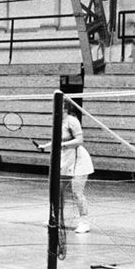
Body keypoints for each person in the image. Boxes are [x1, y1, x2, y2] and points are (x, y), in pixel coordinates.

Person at [40, 99, 94, 234]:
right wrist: (45, 146)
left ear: (64, 109)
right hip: (65, 160)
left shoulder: (72, 121)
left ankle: (84, 223)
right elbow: (57, 139)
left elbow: (79, 141)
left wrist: (61, 146)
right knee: (59, 192)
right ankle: (56, 219)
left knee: (77, 193)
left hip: (79, 161)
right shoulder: (58, 122)